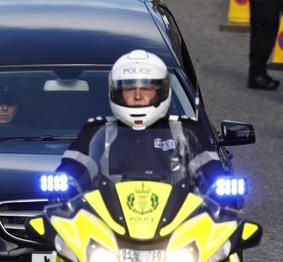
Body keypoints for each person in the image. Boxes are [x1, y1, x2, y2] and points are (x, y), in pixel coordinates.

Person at [58, 50, 217, 191]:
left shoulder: (187, 130)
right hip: (108, 221)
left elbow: (211, 173)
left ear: (162, 92)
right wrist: (67, 183)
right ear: (117, 93)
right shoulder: (96, 131)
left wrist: (217, 186)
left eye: (146, 89)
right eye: (129, 89)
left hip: (178, 221)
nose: (138, 96)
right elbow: (71, 172)